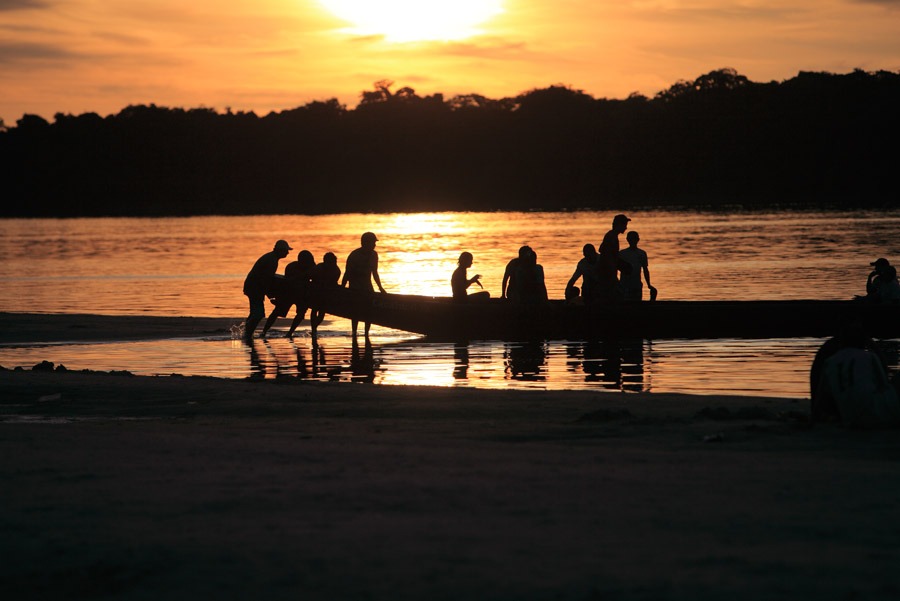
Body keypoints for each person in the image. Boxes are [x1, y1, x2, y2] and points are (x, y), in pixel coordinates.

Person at [242, 239, 292, 340]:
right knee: (259, 313)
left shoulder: (272, 258)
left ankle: (247, 334)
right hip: (254, 288)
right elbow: (266, 280)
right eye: (286, 250)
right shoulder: (272, 260)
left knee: (254, 312)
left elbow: (268, 278)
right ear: (280, 250)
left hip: (253, 287)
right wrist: (271, 296)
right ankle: (247, 335)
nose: (288, 252)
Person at [261, 250, 316, 339]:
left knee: (301, 314)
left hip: (302, 295)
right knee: (276, 312)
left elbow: (315, 281)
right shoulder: (291, 267)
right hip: (289, 293)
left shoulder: (312, 267)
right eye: (307, 262)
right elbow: (287, 282)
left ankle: (290, 333)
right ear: (301, 261)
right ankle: (264, 332)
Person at [341, 232, 386, 339]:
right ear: (365, 243)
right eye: (373, 242)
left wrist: (381, 288)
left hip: (368, 287)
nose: (375, 245)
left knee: (369, 312)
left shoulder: (374, 255)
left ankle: (366, 334)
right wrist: (342, 288)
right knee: (355, 313)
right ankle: (354, 332)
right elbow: (347, 273)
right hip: (355, 288)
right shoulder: (354, 255)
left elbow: (375, 273)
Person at [596, 214, 631, 301]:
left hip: (608, 272)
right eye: (624, 225)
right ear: (619, 225)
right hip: (608, 274)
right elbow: (607, 255)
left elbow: (602, 250)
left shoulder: (611, 235)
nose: (626, 228)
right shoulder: (611, 236)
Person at [309, 252, 341, 337]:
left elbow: (334, 283)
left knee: (321, 314)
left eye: (334, 262)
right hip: (316, 292)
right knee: (314, 309)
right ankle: (313, 329)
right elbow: (311, 278)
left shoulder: (336, 271)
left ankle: (314, 328)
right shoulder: (318, 267)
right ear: (325, 261)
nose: (332, 264)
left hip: (326, 294)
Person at [618, 231, 657, 301]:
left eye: (634, 239)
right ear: (627, 240)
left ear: (638, 239)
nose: (633, 241)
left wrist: (649, 284)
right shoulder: (622, 254)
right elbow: (616, 268)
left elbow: (645, 270)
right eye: (631, 239)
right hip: (624, 285)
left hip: (636, 285)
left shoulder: (642, 253)